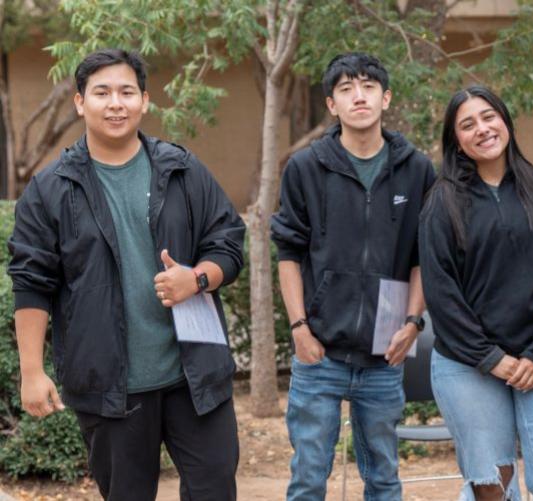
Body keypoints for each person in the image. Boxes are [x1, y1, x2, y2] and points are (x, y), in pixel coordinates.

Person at [8, 48, 244, 500]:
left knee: (215, 491)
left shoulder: (181, 168)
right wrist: (32, 372)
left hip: (194, 377)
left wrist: (197, 278)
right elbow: (32, 281)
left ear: (145, 101)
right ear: (80, 102)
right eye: (102, 92)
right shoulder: (50, 189)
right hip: (111, 388)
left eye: (126, 92)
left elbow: (228, 239)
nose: (115, 103)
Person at [271, 52, 436, 500]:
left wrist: (412, 323)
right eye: (345, 88)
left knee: (383, 479)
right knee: (307, 479)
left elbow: (423, 255)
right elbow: (288, 252)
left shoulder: (417, 169)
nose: (357, 96)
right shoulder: (306, 168)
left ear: (386, 98)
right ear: (332, 105)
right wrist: (299, 327)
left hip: (385, 353)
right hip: (318, 352)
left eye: (367, 86)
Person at [420, 85, 533, 501]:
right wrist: (491, 358)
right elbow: (442, 295)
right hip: (468, 362)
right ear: (456, 141)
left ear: (505, 122)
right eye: (468, 124)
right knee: (491, 485)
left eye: (489, 117)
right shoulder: (441, 203)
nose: (482, 129)